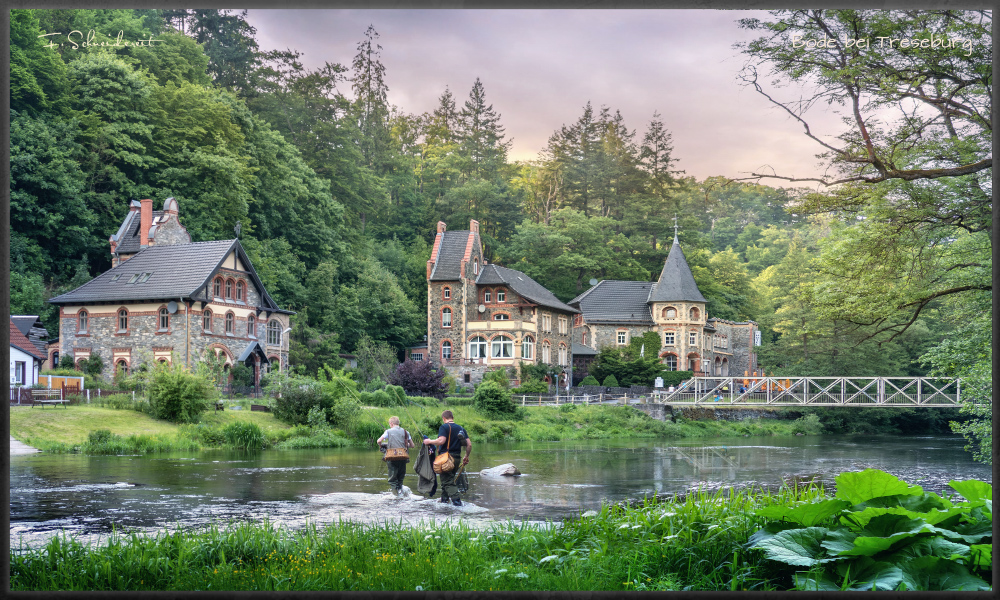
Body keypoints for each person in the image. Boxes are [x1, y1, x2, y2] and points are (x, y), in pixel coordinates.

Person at [423, 410, 472, 506]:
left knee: (447, 482)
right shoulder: (461, 428)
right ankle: (444, 501)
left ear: (444, 418)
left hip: (446, 459)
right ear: (452, 418)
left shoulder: (444, 427)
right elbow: (469, 445)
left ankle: (457, 503)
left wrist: (429, 441)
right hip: (457, 458)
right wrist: (466, 456)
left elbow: (441, 441)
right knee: (448, 480)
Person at [376, 416, 414, 495]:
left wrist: (381, 446)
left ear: (391, 423)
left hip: (391, 457)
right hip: (403, 457)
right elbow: (412, 445)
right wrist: (404, 445)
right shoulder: (406, 432)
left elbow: (379, 441)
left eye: (389, 424)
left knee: (392, 479)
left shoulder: (388, 431)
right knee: (400, 477)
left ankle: (396, 495)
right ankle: (400, 492)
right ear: (398, 423)